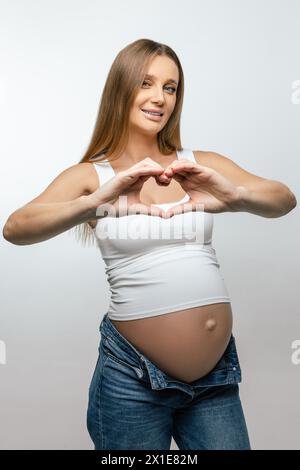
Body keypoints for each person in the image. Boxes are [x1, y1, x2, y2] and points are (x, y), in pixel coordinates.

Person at [3, 39, 297, 450]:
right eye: (146, 83)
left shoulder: (198, 162)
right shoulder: (92, 174)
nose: (160, 98)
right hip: (132, 380)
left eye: (171, 87)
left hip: (214, 379)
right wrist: (94, 203)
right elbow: (16, 228)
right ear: (122, 88)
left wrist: (237, 199)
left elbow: (284, 199)